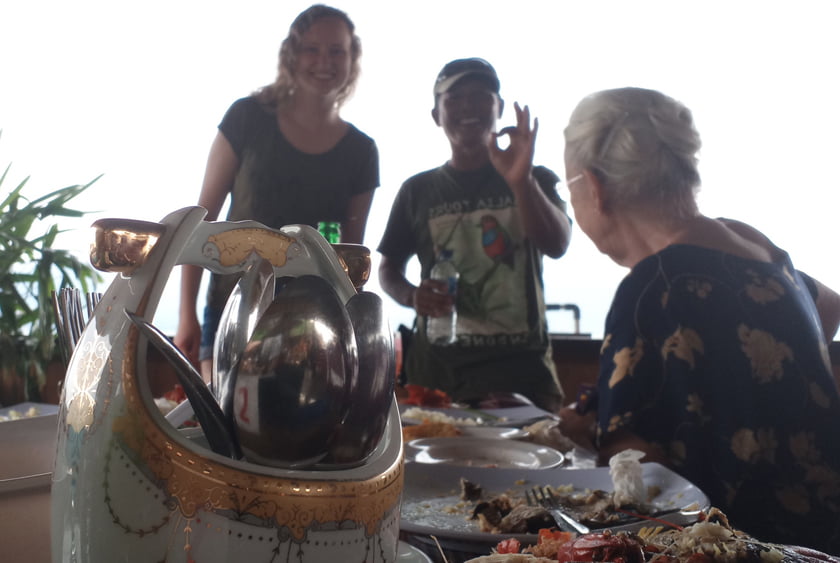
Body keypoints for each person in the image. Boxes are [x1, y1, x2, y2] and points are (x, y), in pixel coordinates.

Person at [557, 86, 840, 552]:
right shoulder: (753, 243)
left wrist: (584, 431)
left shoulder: (650, 288)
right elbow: (826, 309)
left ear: (594, 188)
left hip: (740, 547)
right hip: (823, 536)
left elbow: (634, 478)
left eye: (569, 190)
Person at [174, 4, 379, 380]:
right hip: (233, 310)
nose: (324, 61)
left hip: (316, 328)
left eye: (337, 51)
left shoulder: (362, 151)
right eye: (312, 49)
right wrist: (186, 314)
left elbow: (349, 261)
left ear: (352, 60)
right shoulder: (246, 118)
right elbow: (200, 221)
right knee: (220, 416)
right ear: (291, 54)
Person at [377, 58, 573, 412]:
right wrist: (412, 295)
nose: (468, 106)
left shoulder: (536, 178)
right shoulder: (416, 190)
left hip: (524, 380)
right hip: (434, 380)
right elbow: (388, 268)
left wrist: (521, 181)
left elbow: (557, 244)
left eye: (482, 96)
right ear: (436, 115)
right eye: (454, 98)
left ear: (499, 107)